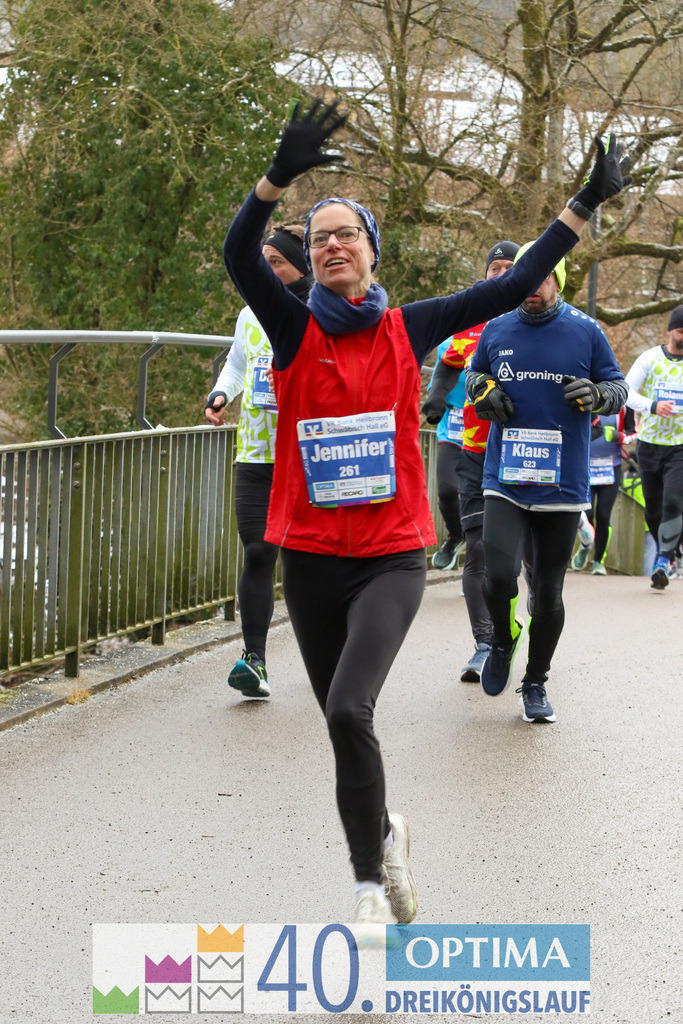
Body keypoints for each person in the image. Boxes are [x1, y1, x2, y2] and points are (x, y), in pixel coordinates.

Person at [222, 98, 630, 924]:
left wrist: (584, 202)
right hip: (310, 551)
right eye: (319, 236)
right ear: (311, 259)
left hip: (388, 556)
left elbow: (514, 281)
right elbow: (237, 256)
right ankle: (382, 842)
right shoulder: (294, 331)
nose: (332, 243)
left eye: (347, 233)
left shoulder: (409, 330)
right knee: (342, 731)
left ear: (372, 253)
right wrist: (276, 178)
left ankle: (368, 890)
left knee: (346, 706)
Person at [467, 242, 628, 724]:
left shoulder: (585, 331)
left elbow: (619, 390)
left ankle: (535, 682)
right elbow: (475, 376)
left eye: (541, 277)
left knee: (549, 594)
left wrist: (599, 394)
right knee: (497, 576)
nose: (532, 287)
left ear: (557, 279)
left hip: (563, 482)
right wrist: (483, 390)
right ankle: (501, 638)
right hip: (506, 477)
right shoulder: (497, 329)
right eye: (524, 277)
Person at [205, 228, 312, 697]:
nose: (267, 270)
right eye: (262, 261)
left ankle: (333, 654)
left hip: (309, 456)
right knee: (257, 551)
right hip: (256, 452)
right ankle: (254, 660)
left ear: (301, 267)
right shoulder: (250, 314)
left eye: (278, 262)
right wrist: (221, 392)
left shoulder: (322, 310)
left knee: (309, 562)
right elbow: (238, 365)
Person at [422, 241, 519, 681]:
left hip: (527, 456)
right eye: (493, 267)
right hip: (475, 449)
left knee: (519, 560)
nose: (500, 274)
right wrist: (436, 400)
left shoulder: (545, 321)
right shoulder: (470, 326)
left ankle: (530, 625)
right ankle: (485, 644)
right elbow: (445, 365)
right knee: (480, 548)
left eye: (510, 267)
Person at [624, 304, 683, 589]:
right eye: (682, 331)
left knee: (673, 501)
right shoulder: (650, 359)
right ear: (671, 330)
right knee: (653, 508)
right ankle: (667, 551)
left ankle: (663, 559)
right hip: (649, 444)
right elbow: (625, 391)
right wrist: (652, 405)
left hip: (679, 446)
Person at [570, 408, 636, 574]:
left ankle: (599, 562)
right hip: (586, 466)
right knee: (588, 514)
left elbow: (635, 433)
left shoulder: (624, 405)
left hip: (611, 467)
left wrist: (619, 436)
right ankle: (586, 547)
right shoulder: (587, 400)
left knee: (604, 515)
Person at [424, 340, 467, 570]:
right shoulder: (448, 344)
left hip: (484, 430)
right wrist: (434, 401)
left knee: (481, 497)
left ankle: (478, 564)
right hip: (452, 429)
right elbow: (436, 383)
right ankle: (455, 536)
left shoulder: (496, 334)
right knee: (447, 490)